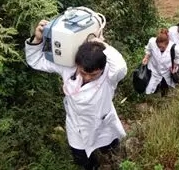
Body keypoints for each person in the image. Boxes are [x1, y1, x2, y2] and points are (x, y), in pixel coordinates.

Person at [25, 19, 127, 170]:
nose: (87, 77)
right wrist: (38, 38)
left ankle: (114, 164)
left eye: (93, 75)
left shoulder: (110, 76)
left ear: (102, 69)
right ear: (77, 64)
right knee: (82, 159)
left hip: (103, 123)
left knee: (111, 151)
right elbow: (36, 60)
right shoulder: (68, 67)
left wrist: (101, 44)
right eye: (83, 72)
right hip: (76, 126)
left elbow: (120, 66)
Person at [142, 28, 179, 96]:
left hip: (167, 70)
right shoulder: (152, 42)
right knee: (149, 89)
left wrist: (175, 66)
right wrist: (146, 57)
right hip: (154, 69)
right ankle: (151, 96)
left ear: (167, 44)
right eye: (158, 46)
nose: (160, 49)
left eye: (162, 47)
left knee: (165, 86)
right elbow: (149, 50)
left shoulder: (175, 48)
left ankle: (164, 95)